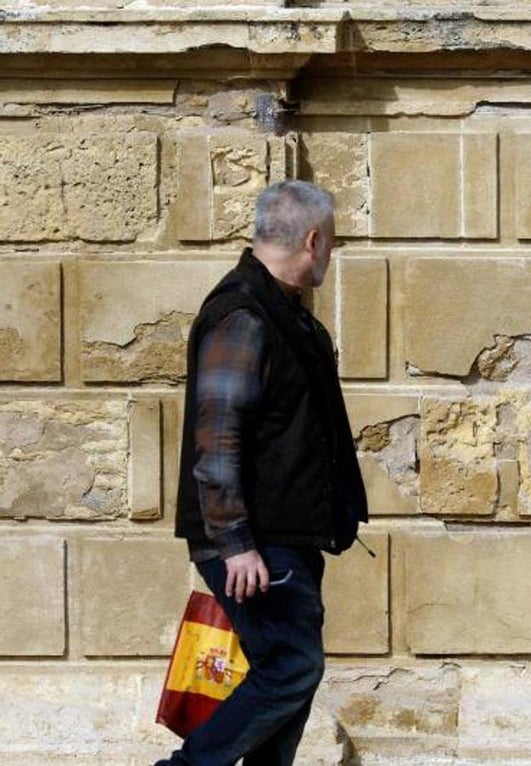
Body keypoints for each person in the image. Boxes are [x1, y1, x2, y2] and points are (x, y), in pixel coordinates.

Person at [159, 180, 368, 766]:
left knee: (288, 681)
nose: (331, 253)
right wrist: (234, 543)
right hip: (257, 542)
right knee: (292, 668)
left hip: (287, 536)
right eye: (331, 242)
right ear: (312, 239)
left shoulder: (286, 315)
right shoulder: (243, 316)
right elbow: (217, 435)